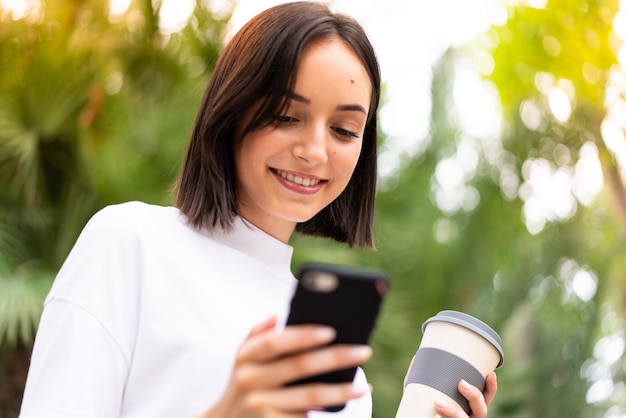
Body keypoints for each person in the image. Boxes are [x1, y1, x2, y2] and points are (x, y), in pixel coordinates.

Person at [19, 2, 497, 417]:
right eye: (287, 116)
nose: (314, 151)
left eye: (344, 130)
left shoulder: (342, 376)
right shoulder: (130, 242)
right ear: (232, 108)